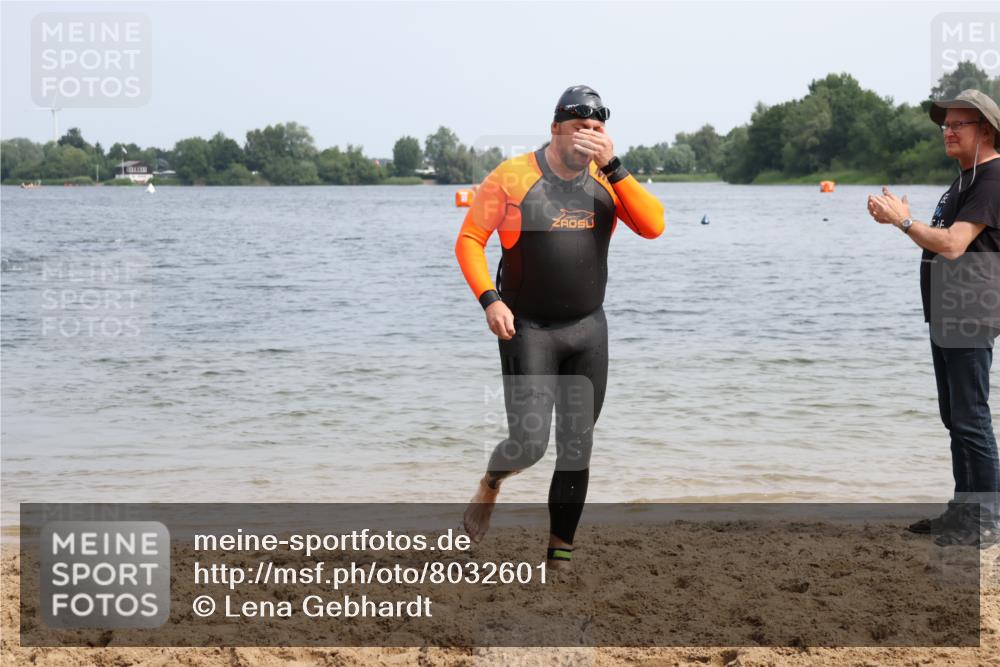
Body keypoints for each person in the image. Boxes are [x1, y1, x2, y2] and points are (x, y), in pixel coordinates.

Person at [454, 85, 665, 568]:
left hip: (588, 329)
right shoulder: (513, 176)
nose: (588, 137)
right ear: (556, 129)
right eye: (578, 128)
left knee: (577, 447)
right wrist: (490, 300)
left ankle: (559, 559)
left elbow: (653, 226)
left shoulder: (609, 178)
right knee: (529, 446)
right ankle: (490, 483)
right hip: (527, 328)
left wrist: (615, 167)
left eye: (597, 129)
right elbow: (469, 240)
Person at [867, 89, 1000, 548]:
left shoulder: (993, 178)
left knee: (971, 418)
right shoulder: (966, 180)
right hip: (948, 312)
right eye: (945, 123)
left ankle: (985, 518)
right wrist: (899, 220)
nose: (948, 129)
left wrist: (904, 223)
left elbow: (953, 244)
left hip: (970, 313)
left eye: (958, 123)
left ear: (986, 130)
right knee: (955, 417)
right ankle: (964, 510)